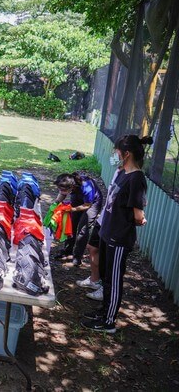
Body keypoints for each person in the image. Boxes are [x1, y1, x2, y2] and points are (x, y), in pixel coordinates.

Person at [81, 135, 153, 334]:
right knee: (105, 275)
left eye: (117, 152)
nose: (115, 155)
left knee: (113, 280)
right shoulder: (122, 172)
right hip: (107, 232)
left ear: (126, 153)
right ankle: (103, 311)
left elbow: (138, 215)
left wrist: (140, 218)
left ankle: (109, 322)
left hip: (119, 238)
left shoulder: (137, 178)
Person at [78, 167, 122, 302]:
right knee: (92, 247)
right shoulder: (118, 171)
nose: (116, 152)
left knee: (107, 257)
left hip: (113, 222)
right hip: (104, 217)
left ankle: (105, 288)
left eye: (118, 150)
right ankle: (94, 280)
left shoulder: (132, 176)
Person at [53, 172, 103, 266]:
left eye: (63, 190)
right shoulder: (68, 183)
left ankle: (77, 257)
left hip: (92, 203)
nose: (60, 191)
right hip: (78, 197)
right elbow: (62, 194)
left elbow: (87, 205)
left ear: (72, 187)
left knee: (82, 230)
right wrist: (55, 204)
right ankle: (67, 251)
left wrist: (72, 209)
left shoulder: (87, 187)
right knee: (71, 224)